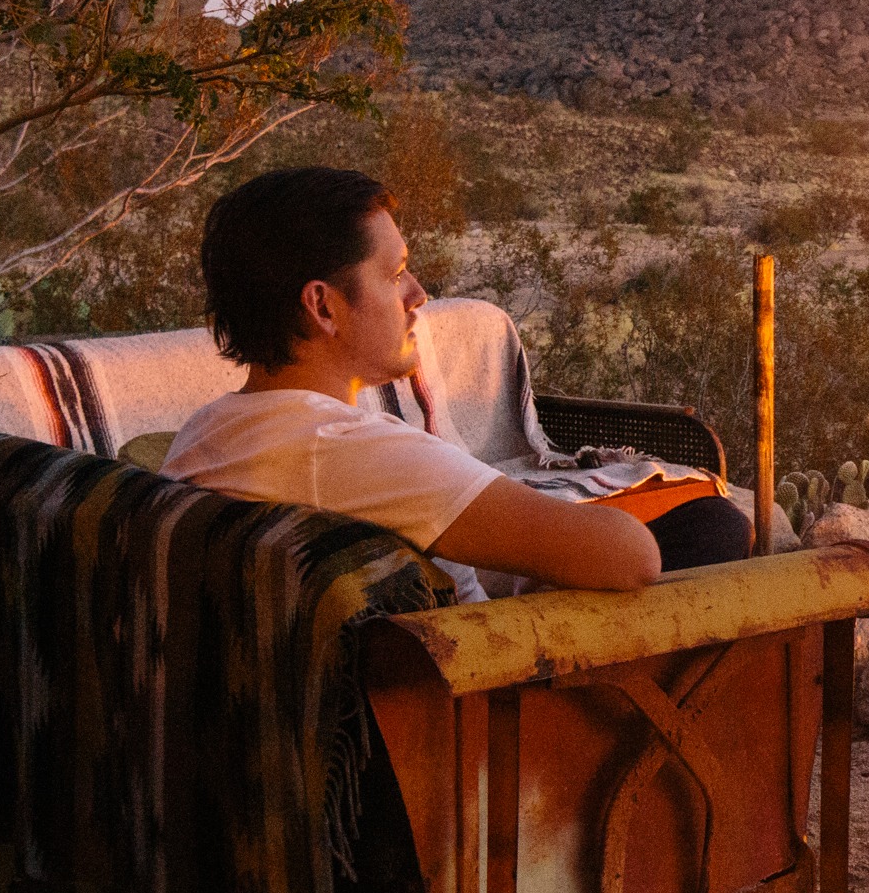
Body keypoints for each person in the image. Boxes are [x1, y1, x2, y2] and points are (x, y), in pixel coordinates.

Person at [163, 166, 750, 601]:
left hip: (370, 695)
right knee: (715, 527)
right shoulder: (350, 451)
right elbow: (630, 558)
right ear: (323, 306)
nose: (417, 295)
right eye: (394, 275)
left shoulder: (205, 435)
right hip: (483, 715)